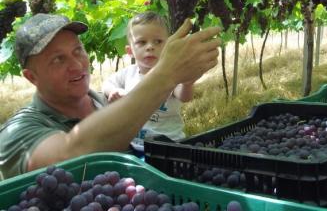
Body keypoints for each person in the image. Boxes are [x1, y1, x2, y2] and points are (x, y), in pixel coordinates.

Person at [0, 13, 221, 180]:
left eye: (78, 51)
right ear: (31, 77)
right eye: (58, 59)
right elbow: (71, 157)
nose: (77, 65)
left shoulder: (107, 103)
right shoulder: (17, 134)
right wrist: (166, 74)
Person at [102, 12, 194, 152]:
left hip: (169, 147)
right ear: (130, 51)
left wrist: (188, 83)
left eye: (158, 41)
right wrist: (114, 91)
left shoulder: (171, 73)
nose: (150, 47)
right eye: (142, 42)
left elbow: (184, 96)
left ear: (168, 46)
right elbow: (107, 84)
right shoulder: (128, 74)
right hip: (134, 145)